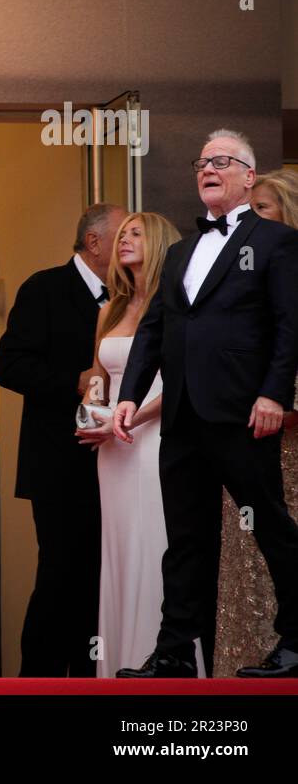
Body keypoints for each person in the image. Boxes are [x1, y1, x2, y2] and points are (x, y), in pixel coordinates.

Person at [114, 130, 298, 678]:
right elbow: (153, 331)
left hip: (243, 411)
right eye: (202, 163)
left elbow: (291, 325)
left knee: (271, 526)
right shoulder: (179, 252)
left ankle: (296, 642)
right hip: (184, 417)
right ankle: (174, 654)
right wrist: (128, 396)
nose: (209, 169)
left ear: (249, 175)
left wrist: (273, 393)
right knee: (186, 538)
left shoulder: (276, 242)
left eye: (223, 161)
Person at [0, 202, 125, 676]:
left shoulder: (129, 298)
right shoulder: (44, 288)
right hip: (57, 464)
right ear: (94, 243)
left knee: (99, 578)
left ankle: (91, 681)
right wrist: (75, 381)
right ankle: (40, 685)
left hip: (116, 465)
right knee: (59, 576)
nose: (131, 243)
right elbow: (7, 366)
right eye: (122, 234)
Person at [72, 212, 202, 676]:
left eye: (135, 233)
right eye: (121, 233)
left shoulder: (178, 304)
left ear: (160, 242)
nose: (124, 239)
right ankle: (120, 668)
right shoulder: (109, 308)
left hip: (155, 438)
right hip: (113, 448)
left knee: (156, 544)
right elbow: (97, 373)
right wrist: (92, 405)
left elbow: (186, 381)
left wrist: (129, 418)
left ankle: (165, 661)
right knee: (119, 550)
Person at [214, 167, 298, 675]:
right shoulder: (240, 279)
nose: (251, 223)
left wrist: (280, 401)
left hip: (286, 441)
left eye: (262, 210)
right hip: (242, 439)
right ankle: (244, 664)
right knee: (245, 563)